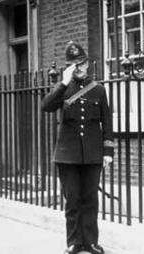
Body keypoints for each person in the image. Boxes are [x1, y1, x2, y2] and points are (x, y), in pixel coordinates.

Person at [41, 41, 114, 254]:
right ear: (69, 67)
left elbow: (107, 123)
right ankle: (73, 242)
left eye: (81, 63)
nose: (79, 68)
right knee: (72, 200)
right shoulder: (64, 88)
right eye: (74, 65)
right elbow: (46, 106)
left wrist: (108, 151)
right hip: (67, 155)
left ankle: (90, 241)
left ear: (88, 64)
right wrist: (62, 83)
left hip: (92, 154)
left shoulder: (99, 90)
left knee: (90, 199)